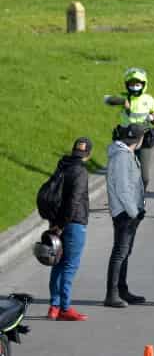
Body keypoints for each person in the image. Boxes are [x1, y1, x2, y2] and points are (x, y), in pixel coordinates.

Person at [47, 137, 92, 321]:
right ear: (88, 155)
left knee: (58, 263)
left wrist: (56, 224)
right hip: (74, 223)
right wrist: (63, 225)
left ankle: (54, 307)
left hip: (56, 221)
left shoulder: (61, 167)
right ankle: (65, 308)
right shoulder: (81, 171)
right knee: (70, 265)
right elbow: (74, 200)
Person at [105, 124, 147, 308]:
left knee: (124, 252)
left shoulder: (127, 154)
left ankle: (122, 290)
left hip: (129, 211)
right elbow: (122, 189)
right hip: (125, 213)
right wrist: (134, 213)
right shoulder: (122, 157)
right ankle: (112, 294)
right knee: (120, 253)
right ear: (138, 140)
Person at [117, 67, 154, 189]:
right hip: (127, 137)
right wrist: (120, 101)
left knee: (144, 177)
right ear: (127, 85)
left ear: (143, 85)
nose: (134, 87)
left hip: (144, 138)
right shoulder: (124, 98)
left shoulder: (149, 99)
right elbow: (108, 100)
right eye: (131, 85)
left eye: (137, 84)